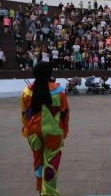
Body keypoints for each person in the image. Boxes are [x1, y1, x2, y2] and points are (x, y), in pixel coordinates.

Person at [20, 62, 69, 196]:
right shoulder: (59, 91)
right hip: (53, 132)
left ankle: (41, 188)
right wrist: (64, 130)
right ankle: (49, 192)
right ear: (50, 73)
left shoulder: (27, 91)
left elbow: (24, 114)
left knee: (38, 160)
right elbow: (64, 113)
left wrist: (27, 128)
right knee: (51, 162)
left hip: (33, 132)